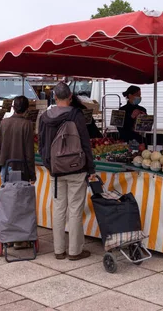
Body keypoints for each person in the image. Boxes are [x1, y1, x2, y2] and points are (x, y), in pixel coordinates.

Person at [39, 82, 95, 261]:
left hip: (56, 170)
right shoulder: (76, 114)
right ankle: (75, 251)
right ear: (70, 97)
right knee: (75, 209)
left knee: (58, 208)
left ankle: (58, 250)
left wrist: (49, 165)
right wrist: (90, 167)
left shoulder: (44, 116)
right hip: (76, 168)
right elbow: (85, 143)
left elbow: (41, 145)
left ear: (54, 97)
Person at [0, 95, 36, 182]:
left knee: (6, 193)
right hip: (20, 167)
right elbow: (29, 152)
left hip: (5, 165)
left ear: (13, 107)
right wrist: (32, 174)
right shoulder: (27, 124)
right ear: (27, 109)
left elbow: (1, 146)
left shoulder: (3, 122)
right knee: (18, 194)